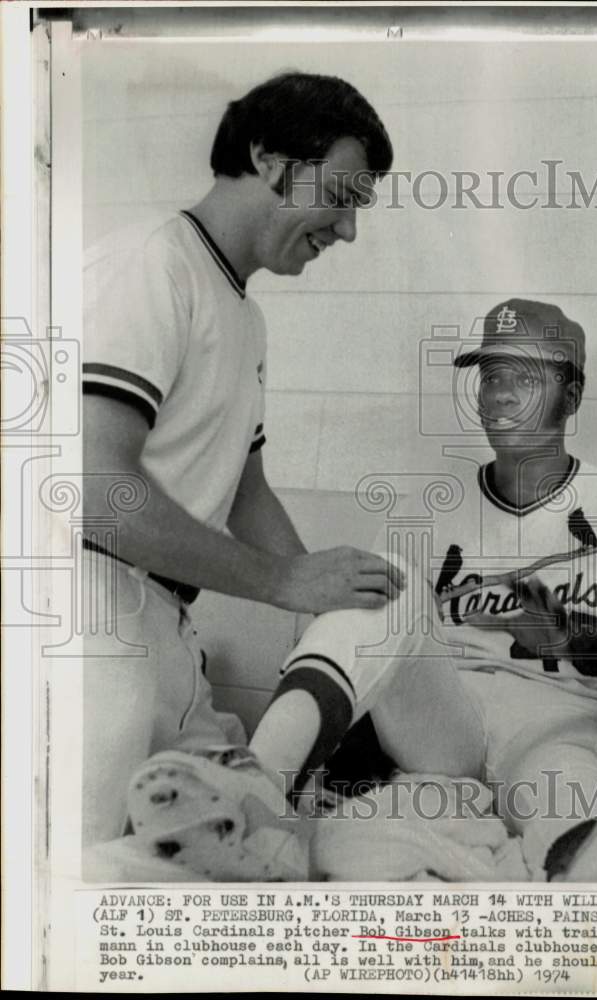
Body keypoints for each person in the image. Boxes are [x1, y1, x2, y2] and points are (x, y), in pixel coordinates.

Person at [126, 299, 597, 882]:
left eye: (528, 378)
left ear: (573, 395)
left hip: (562, 716)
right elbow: (378, 656)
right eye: (491, 376)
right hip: (444, 722)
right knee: (379, 587)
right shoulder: (428, 509)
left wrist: (572, 636)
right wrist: (335, 777)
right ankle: (262, 786)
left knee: (571, 817)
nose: (503, 397)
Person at [81, 72, 403, 847]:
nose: (348, 230)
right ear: (269, 159)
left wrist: (321, 603)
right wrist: (281, 581)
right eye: (344, 195)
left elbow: (243, 488)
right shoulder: (150, 266)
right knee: (76, 882)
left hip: (161, 623)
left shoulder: (245, 317)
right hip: (82, 607)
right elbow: (95, 489)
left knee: (252, 841)